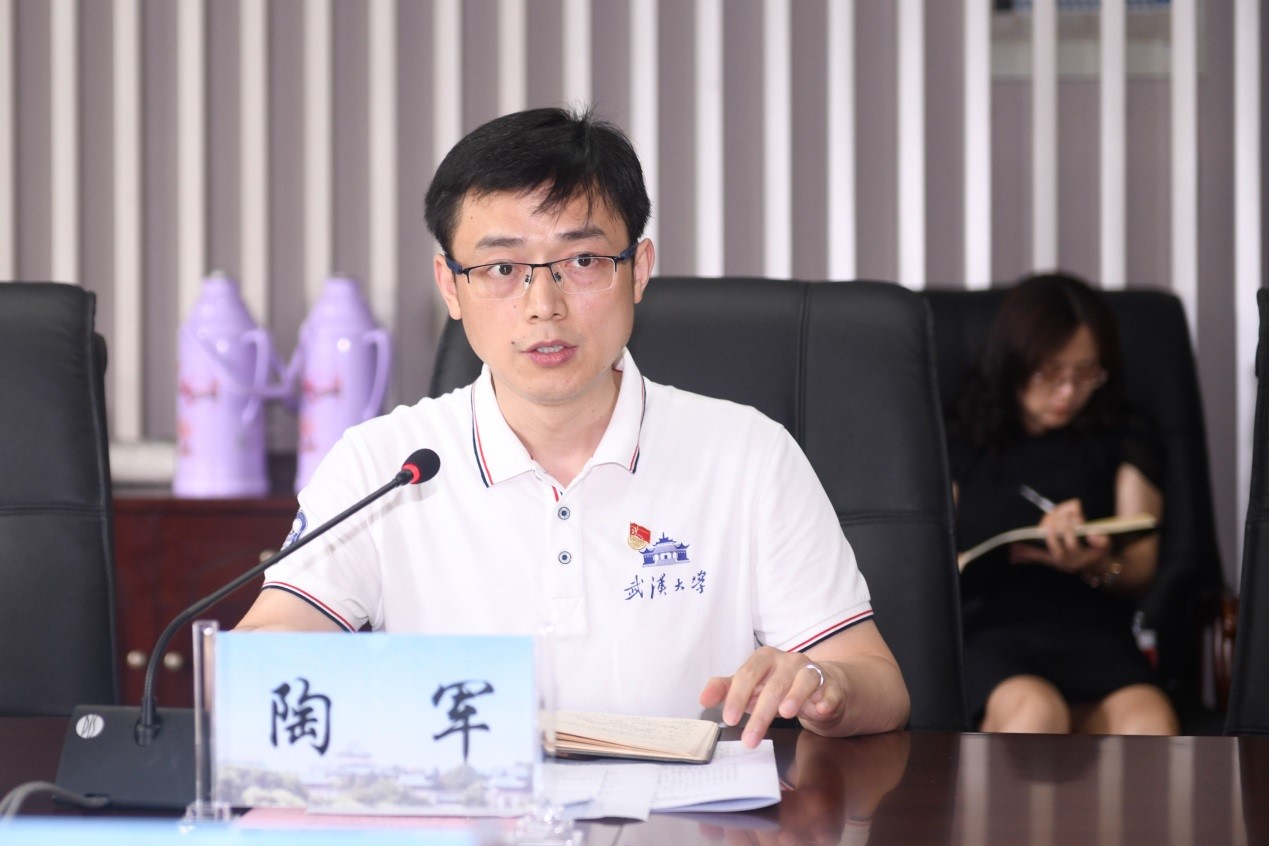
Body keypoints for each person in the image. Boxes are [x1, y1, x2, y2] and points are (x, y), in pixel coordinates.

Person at [236, 106, 909, 745]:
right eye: (502, 268)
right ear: (450, 286)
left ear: (638, 271)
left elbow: (877, 683)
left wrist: (821, 685)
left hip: (685, 814)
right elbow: (266, 651)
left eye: (582, 262)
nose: (544, 306)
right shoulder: (383, 465)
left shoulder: (748, 455)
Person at [949, 272, 1177, 735]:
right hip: (993, 634)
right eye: (1050, 373)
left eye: (1085, 373)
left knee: (1150, 721)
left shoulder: (1123, 432)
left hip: (1093, 633)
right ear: (1015, 362)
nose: (1068, 392)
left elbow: (1141, 565)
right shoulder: (961, 436)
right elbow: (926, 563)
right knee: (1036, 713)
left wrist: (1097, 564)